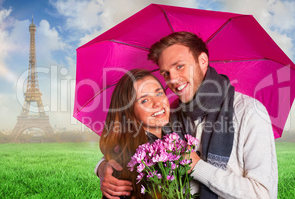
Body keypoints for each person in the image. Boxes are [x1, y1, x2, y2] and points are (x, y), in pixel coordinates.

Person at [96, 31, 278, 199]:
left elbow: (263, 194)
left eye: (180, 66)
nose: (172, 79)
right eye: (166, 73)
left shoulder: (248, 112)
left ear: (203, 61)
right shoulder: (172, 113)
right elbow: (138, 146)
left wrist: (198, 166)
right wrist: (103, 167)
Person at [98, 69, 171, 199]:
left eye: (159, 93)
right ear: (129, 111)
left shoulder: (172, 136)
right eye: (144, 100)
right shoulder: (130, 163)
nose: (157, 103)